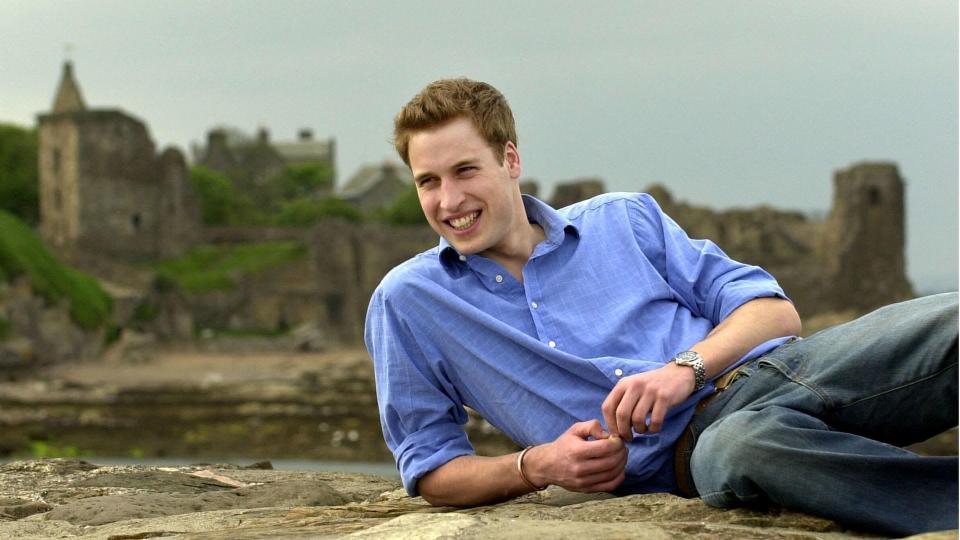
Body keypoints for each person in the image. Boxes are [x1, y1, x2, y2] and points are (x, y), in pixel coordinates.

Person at [364, 78, 958, 536]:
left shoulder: (624, 218)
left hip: (788, 368)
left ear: (510, 160)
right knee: (747, 448)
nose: (449, 200)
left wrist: (684, 370)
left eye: (465, 170)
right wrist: (536, 466)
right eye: (428, 181)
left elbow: (773, 313)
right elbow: (429, 468)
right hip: (697, 453)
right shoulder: (409, 301)